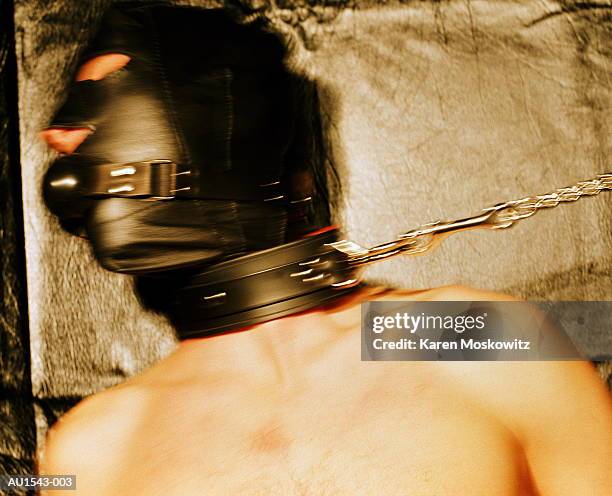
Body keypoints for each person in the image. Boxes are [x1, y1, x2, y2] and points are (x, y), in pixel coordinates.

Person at [38, 4, 611, 495]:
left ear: (223, 121)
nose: (58, 136)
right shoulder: (91, 452)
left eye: (103, 88)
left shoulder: (483, 341)